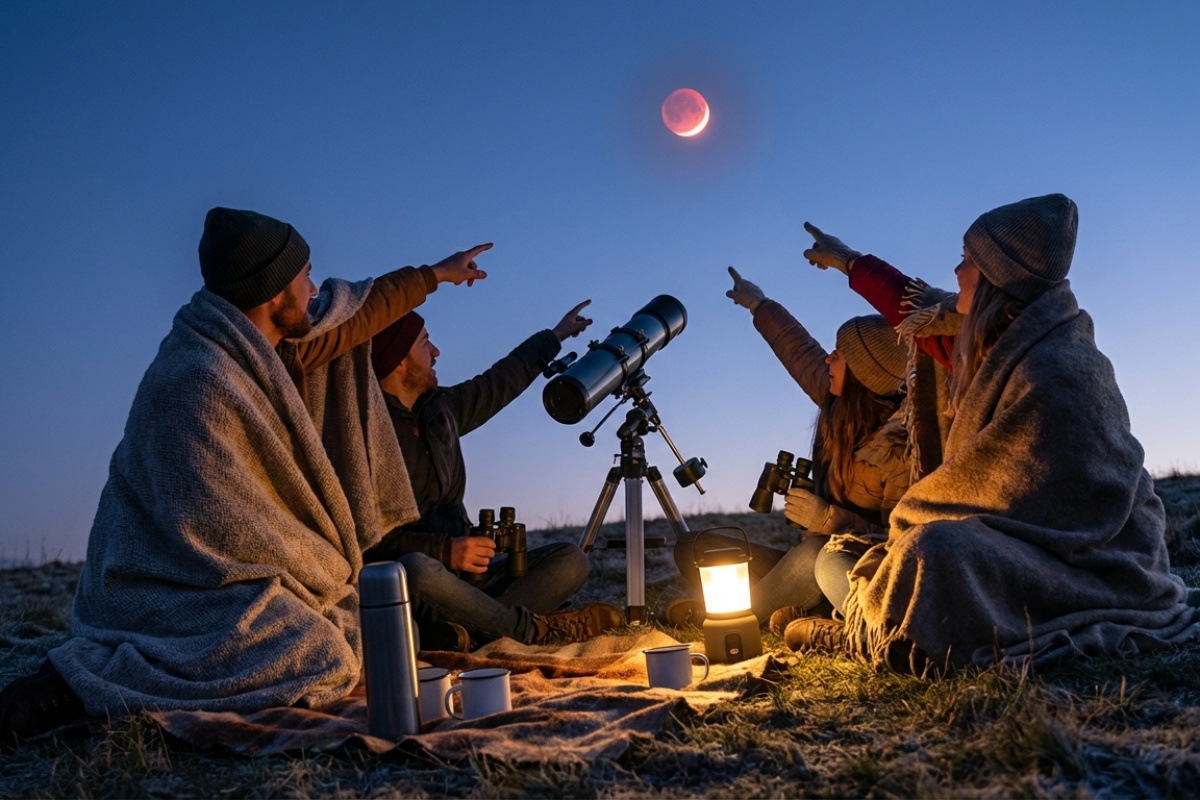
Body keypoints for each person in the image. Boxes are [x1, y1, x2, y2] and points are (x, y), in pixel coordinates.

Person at [0, 207, 489, 748]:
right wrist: (312, 562)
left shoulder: (272, 343)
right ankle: (78, 689)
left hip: (244, 571)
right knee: (315, 652)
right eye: (305, 277)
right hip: (174, 582)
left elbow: (357, 315)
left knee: (349, 636)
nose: (315, 290)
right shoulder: (199, 379)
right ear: (275, 293)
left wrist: (435, 275)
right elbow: (214, 523)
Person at [793, 193, 1200, 672]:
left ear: (994, 275)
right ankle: (889, 624)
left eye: (967, 260)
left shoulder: (1056, 367)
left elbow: (1025, 491)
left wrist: (909, 522)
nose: (956, 270)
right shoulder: (994, 342)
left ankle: (866, 635)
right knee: (847, 560)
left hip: (1083, 559)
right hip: (1014, 545)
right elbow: (914, 307)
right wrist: (847, 260)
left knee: (931, 554)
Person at [363, 303, 625, 651]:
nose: (436, 351)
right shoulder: (365, 436)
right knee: (417, 569)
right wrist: (445, 551)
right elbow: (367, 540)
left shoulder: (442, 409)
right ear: (398, 361)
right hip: (420, 585)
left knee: (570, 560)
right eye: (425, 343)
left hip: (472, 580)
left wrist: (556, 335)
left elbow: (501, 380)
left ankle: (468, 633)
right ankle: (531, 632)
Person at [668, 266, 910, 633]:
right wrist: (759, 304)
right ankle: (784, 610)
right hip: (806, 564)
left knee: (816, 556)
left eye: (839, 355)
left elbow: (901, 543)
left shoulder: (899, 447)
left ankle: (723, 620)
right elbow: (799, 350)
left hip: (849, 570)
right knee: (696, 548)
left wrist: (832, 522)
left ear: (863, 373)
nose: (828, 359)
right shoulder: (836, 401)